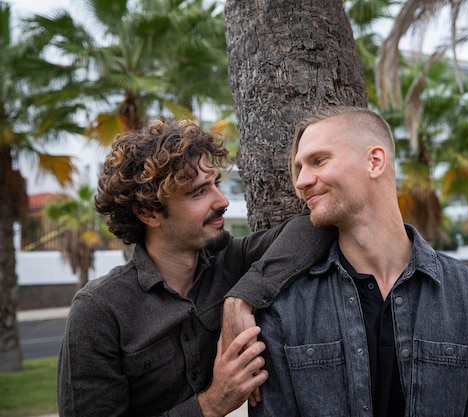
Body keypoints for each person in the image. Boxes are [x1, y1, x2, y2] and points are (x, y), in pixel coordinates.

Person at [56, 119, 334, 417]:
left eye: (215, 183)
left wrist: (240, 298)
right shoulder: (99, 311)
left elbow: (316, 226)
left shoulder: (234, 260)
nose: (223, 200)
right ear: (148, 212)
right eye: (199, 193)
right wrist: (212, 403)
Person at [244, 106, 468, 416]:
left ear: (374, 161)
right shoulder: (286, 306)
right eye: (299, 167)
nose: (301, 181)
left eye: (318, 161)